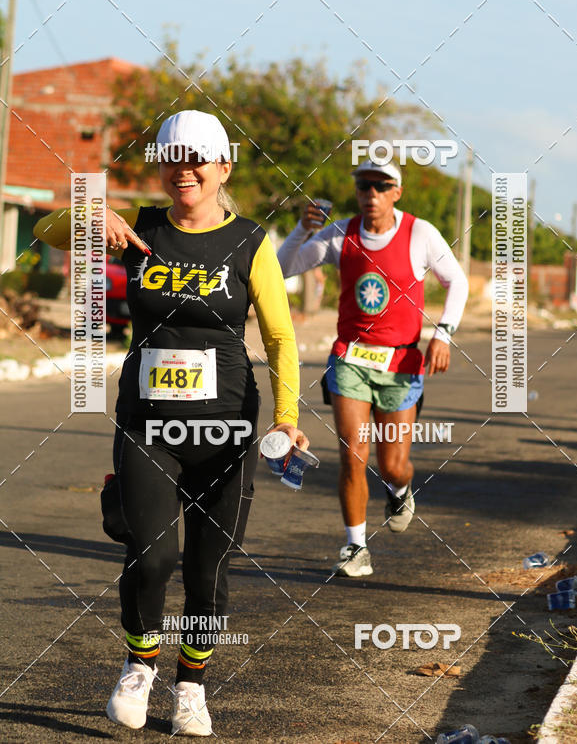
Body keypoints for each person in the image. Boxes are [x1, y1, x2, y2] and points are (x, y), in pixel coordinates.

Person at [34, 110, 308, 736]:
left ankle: (191, 686)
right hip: (147, 425)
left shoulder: (251, 243)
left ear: (222, 168)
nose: (184, 169)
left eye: (198, 159)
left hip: (226, 430)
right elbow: (48, 230)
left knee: (208, 570)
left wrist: (287, 418)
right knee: (151, 556)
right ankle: (139, 666)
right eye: (172, 158)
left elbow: (281, 338)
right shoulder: (138, 230)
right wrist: (90, 217)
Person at [277, 158, 468, 578]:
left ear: (396, 192)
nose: (371, 195)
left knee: (392, 465)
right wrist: (302, 230)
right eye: (364, 186)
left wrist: (443, 334)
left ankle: (399, 491)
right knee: (353, 454)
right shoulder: (340, 233)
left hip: (401, 363)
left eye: (381, 187)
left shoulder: (420, 233)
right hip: (349, 360)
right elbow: (282, 269)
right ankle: (355, 546)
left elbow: (458, 281)